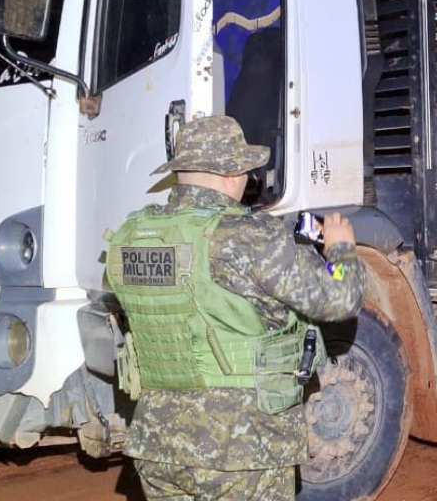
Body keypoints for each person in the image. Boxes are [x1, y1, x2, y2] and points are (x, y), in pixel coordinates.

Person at [105, 114, 366, 501]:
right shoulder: (250, 238)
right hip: (241, 447)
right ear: (231, 175)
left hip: (158, 444)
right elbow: (341, 298)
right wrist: (340, 249)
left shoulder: (132, 236)